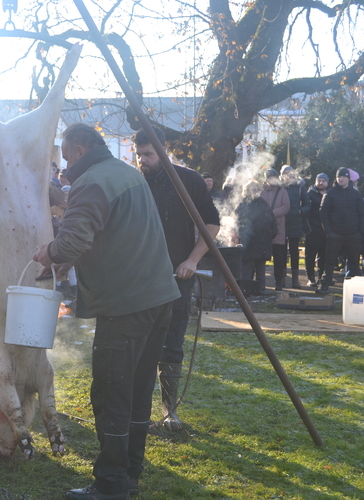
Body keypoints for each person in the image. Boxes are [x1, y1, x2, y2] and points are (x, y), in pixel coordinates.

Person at [34, 123, 180, 500]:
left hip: (126, 304)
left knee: (111, 393)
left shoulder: (91, 182)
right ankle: (130, 473)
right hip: (160, 296)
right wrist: (69, 261)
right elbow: (111, 230)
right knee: (136, 390)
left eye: (66, 158)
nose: (65, 168)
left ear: (80, 150)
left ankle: (111, 484)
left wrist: (50, 254)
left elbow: (74, 238)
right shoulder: (127, 174)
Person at [133, 126, 220, 431]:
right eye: (139, 154)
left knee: (172, 346)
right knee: (139, 346)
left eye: (149, 154)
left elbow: (211, 223)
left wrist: (192, 260)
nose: (143, 160)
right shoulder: (134, 182)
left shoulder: (190, 181)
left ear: (164, 150)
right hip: (139, 280)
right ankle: (137, 410)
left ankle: (170, 411)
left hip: (177, 278)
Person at [319, 167, 364, 292]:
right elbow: (323, 213)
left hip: (353, 234)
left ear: (348, 179)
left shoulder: (356, 194)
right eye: (339, 177)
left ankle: (358, 289)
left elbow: (362, 213)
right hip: (335, 234)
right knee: (329, 261)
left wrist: (360, 232)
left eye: (344, 177)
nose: (341, 179)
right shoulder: (330, 193)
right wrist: (329, 231)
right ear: (336, 179)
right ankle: (324, 284)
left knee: (354, 263)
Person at [235, 180, 274, 295]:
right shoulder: (243, 205)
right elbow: (238, 222)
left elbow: (272, 219)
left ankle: (261, 289)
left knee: (261, 266)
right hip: (250, 241)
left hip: (263, 241)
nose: (256, 191)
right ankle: (246, 290)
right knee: (248, 265)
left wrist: (272, 232)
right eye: (254, 189)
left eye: (258, 189)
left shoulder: (263, 203)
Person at [280, 166, 310, 288]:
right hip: (281, 222)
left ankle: (295, 280)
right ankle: (281, 279)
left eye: (290, 173)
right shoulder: (279, 187)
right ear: (282, 175)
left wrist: (300, 211)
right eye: (286, 173)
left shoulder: (299, 187)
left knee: (294, 252)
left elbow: (307, 205)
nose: (289, 175)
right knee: (281, 252)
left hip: (295, 222)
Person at [260, 169, 290, 290]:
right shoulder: (261, 191)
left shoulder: (282, 191)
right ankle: (261, 283)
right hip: (262, 229)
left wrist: (271, 214)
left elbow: (286, 207)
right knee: (261, 257)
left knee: (279, 258)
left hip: (278, 228)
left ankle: (279, 282)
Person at [305, 173, 329, 287]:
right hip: (312, 230)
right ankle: (311, 278)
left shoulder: (330, 195)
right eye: (319, 180)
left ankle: (321, 278)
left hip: (325, 230)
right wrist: (307, 228)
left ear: (327, 183)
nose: (321, 182)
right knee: (310, 256)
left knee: (323, 256)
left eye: (323, 180)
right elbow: (305, 212)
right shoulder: (309, 194)